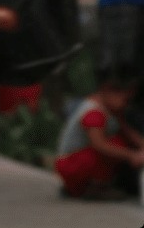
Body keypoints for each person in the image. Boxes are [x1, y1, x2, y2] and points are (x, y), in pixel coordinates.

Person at [54, 69, 144, 200]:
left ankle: (90, 185)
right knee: (116, 145)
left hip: (81, 158)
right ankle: (90, 186)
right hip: (71, 163)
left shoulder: (112, 111)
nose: (126, 104)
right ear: (108, 92)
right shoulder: (93, 112)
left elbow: (128, 133)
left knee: (122, 141)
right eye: (125, 99)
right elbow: (99, 144)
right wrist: (132, 156)